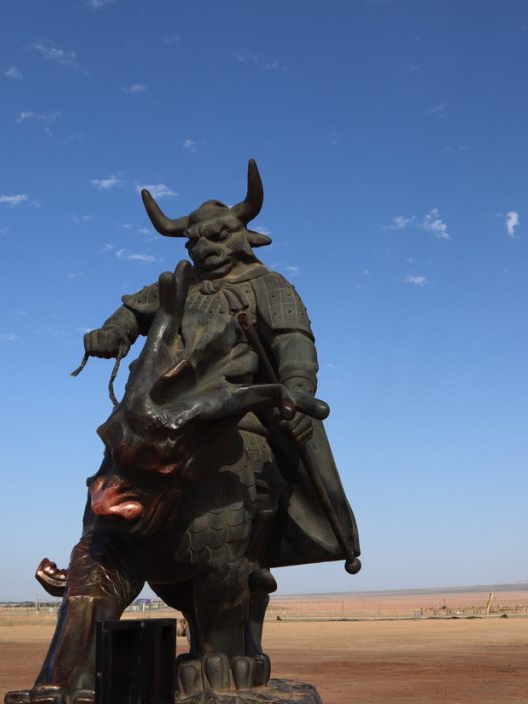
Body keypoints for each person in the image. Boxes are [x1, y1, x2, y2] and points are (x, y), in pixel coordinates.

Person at [82, 159, 358, 572]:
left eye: (218, 236)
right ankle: (92, 554)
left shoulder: (269, 285)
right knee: (115, 456)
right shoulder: (182, 283)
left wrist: (297, 392)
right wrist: (111, 332)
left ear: (245, 237)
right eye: (194, 242)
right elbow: (133, 312)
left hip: (231, 407)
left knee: (262, 458)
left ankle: (254, 558)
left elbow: (293, 344)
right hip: (161, 408)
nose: (204, 249)